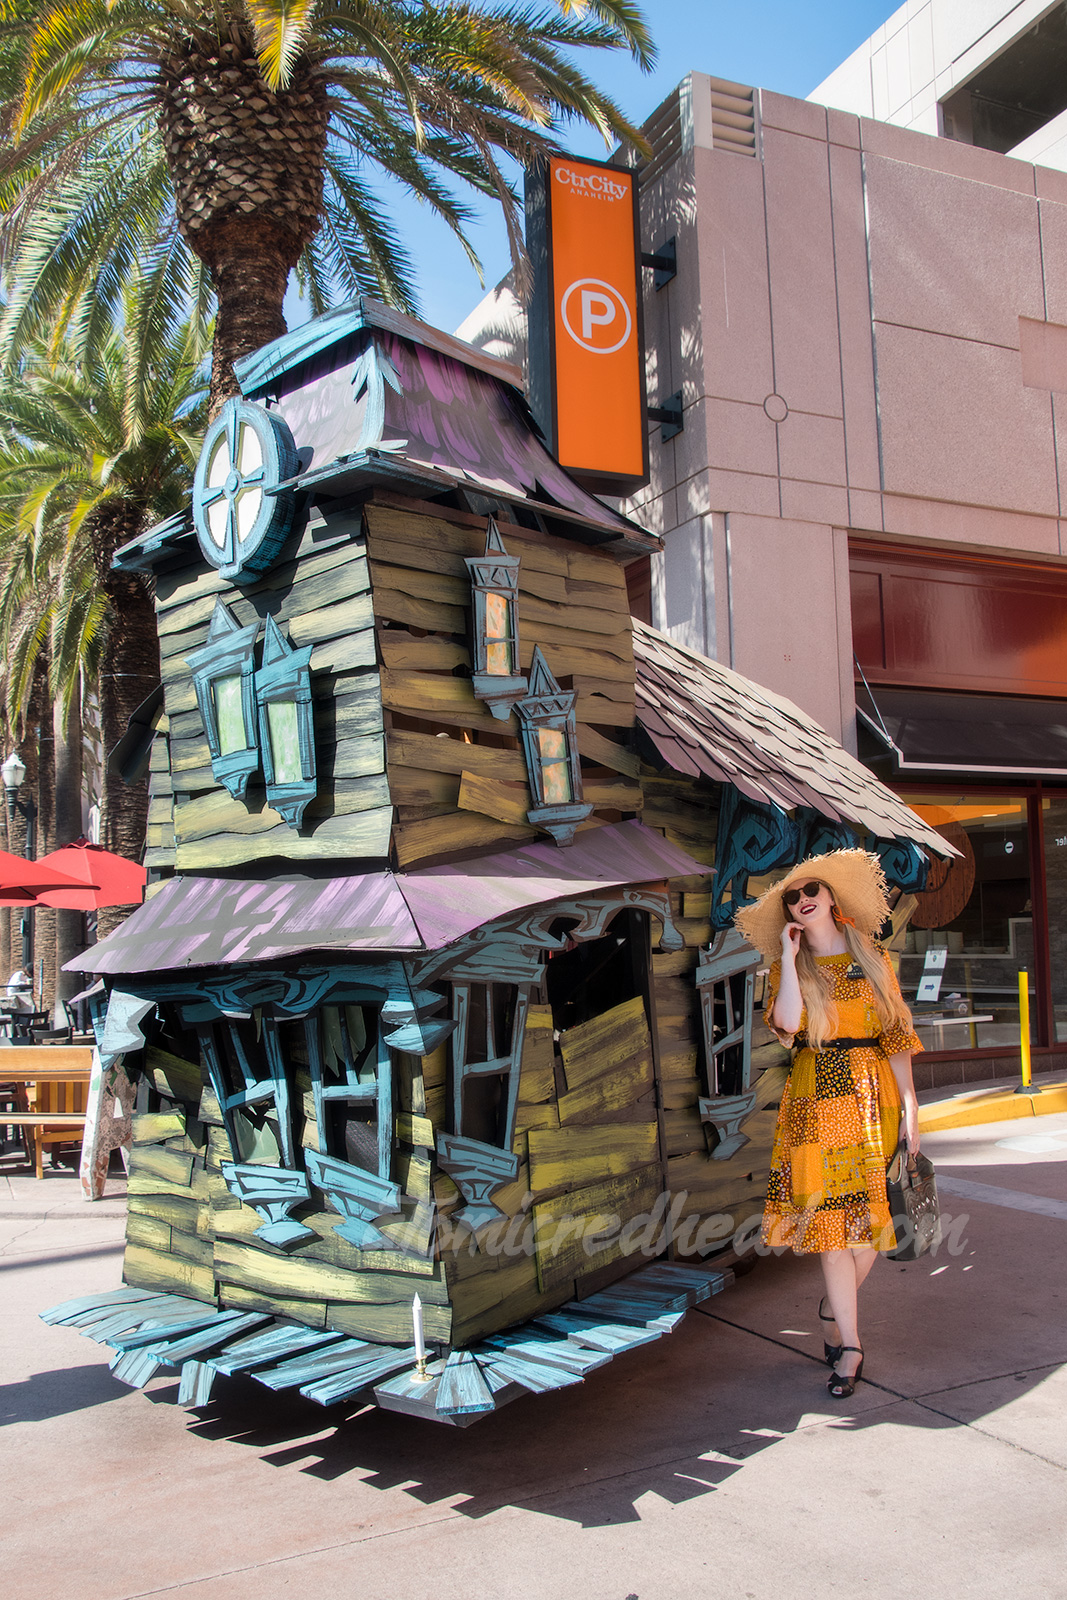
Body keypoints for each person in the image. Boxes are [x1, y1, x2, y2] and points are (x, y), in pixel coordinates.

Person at [735, 849, 922, 1400]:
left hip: (874, 1095)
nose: (802, 898)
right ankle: (852, 1345)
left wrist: (913, 1107)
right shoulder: (787, 967)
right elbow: (788, 1028)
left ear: (833, 898)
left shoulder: (872, 955)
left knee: (875, 1220)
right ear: (790, 914)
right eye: (792, 896)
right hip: (817, 1097)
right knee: (834, 1230)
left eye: (810, 888)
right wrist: (791, 962)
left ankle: (832, 1308)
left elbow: (896, 1033)